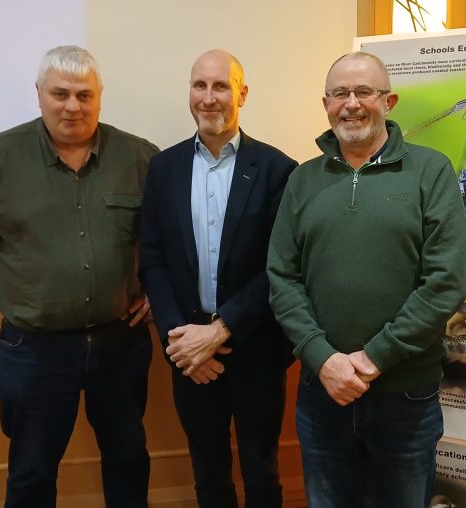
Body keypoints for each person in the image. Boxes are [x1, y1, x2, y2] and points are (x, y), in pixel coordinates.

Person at [0, 45, 158, 507]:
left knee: (128, 459)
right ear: (39, 94)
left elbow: (166, 234)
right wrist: (9, 267)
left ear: (100, 96)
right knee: (32, 470)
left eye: (84, 94)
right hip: (33, 349)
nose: (72, 106)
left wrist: (155, 290)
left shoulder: (139, 157)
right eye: (59, 93)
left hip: (119, 342)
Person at [267, 52, 466, 508]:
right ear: (325, 104)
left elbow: (444, 284)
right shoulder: (302, 180)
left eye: (364, 92)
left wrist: (374, 358)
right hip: (323, 395)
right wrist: (323, 359)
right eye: (340, 93)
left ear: (389, 101)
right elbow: (282, 278)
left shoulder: (431, 172)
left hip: (405, 398)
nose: (352, 104)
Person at [139, 49, 297, 508]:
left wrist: (221, 329)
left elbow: (280, 267)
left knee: (261, 473)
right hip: (188, 351)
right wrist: (181, 345)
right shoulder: (163, 169)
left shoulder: (277, 171)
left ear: (241, 94)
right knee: (207, 473)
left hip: (254, 349)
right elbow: (153, 263)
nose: (209, 98)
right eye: (199, 86)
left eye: (221, 86)